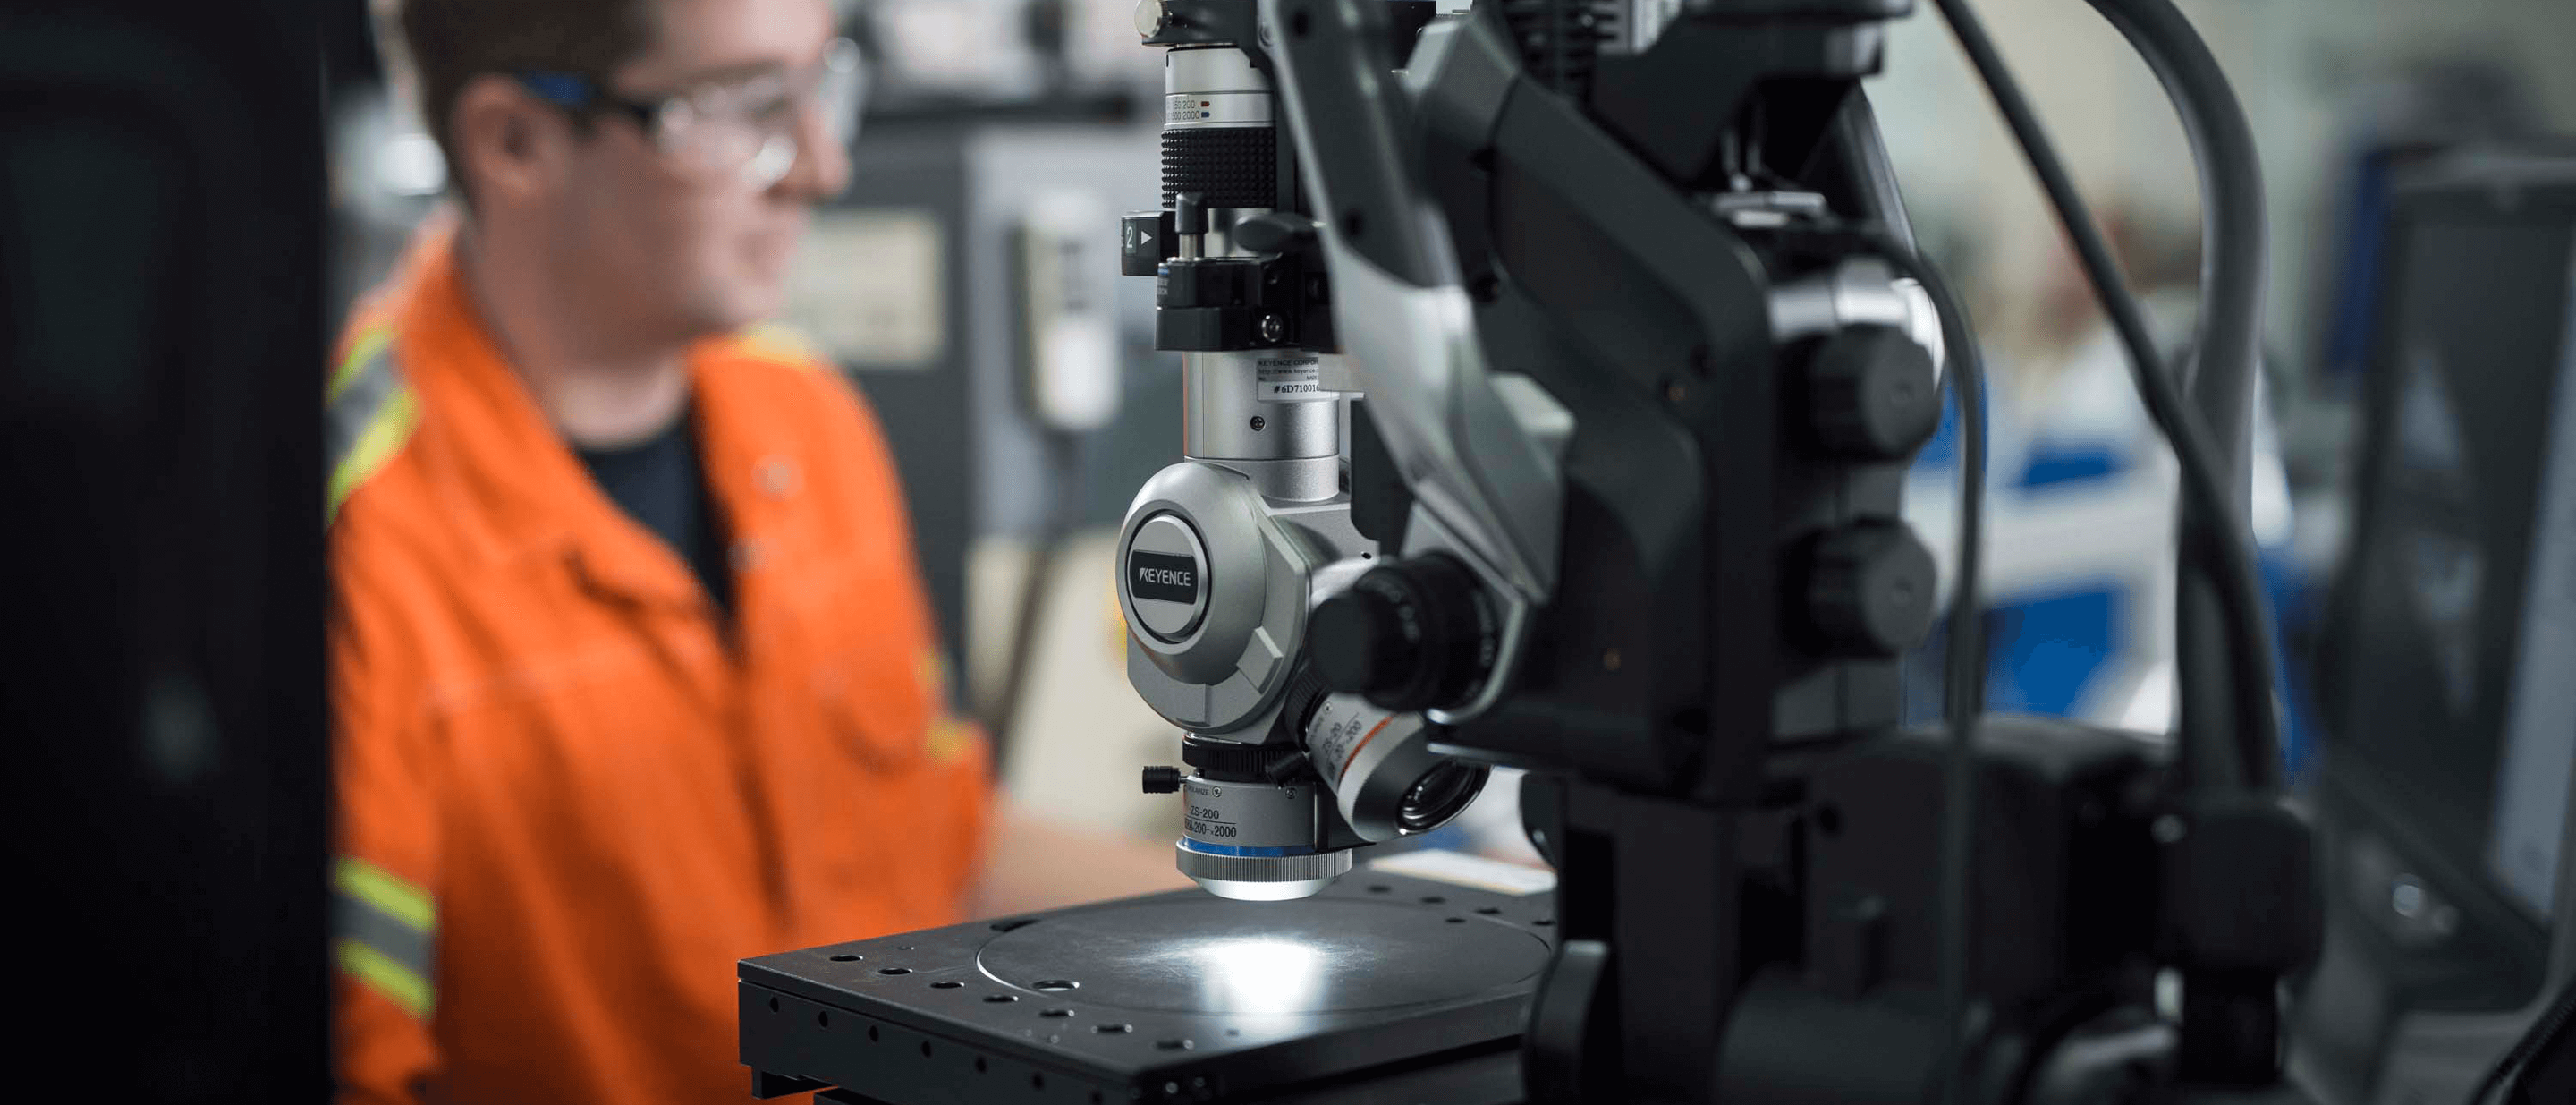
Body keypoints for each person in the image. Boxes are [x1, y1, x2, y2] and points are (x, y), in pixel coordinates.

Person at [326, 0, 1179, 1101]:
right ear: (516, 143)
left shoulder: (804, 419)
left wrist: (1337, 909)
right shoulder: (355, 545)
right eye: (743, 109)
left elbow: (939, 845)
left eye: (825, 87)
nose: (820, 167)